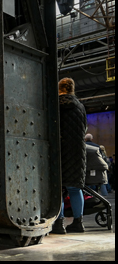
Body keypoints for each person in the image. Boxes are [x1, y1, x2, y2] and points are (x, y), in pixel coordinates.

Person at [51, 78, 87, 234]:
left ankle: (59, 224)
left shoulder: (55, 104)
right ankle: (78, 223)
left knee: (57, 188)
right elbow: (84, 128)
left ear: (59, 89)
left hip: (59, 150)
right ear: (72, 89)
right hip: (78, 152)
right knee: (74, 187)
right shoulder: (80, 106)